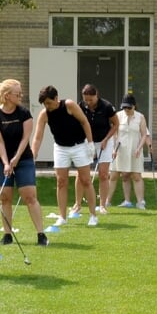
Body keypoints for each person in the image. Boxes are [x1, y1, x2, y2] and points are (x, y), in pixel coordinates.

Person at [30, 84, 99, 227]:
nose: (47, 106)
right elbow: (37, 137)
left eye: (49, 103)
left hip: (79, 145)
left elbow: (84, 122)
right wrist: (34, 153)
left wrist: (91, 143)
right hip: (60, 148)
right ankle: (62, 216)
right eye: (44, 104)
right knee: (61, 181)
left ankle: (93, 215)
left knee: (86, 180)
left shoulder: (69, 105)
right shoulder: (44, 114)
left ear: (56, 98)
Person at [0, 79, 47, 245]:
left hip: (24, 159)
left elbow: (25, 139)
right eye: (18, 93)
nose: (21, 96)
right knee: (5, 198)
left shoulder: (24, 113)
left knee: (30, 196)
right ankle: (7, 235)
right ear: (7, 96)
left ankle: (41, 234)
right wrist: (7, 163)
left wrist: (15, 159)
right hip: (2, 161)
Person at [76, 84, 118, 216]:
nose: (88, 102)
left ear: (96, 95)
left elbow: (116, 124)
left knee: (103, 174)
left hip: (104, 141)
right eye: (86, 99)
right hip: (86, 142)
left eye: (91, 100)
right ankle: (77, 204)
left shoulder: (106, 107)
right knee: (81, 173)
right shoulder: (81, 106)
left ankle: (102, 205)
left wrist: (106, 139)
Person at [110, 93, 153, 209]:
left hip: (135, 151)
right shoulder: (118, 116)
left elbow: (144, 134)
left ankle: (140, 202)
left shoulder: (140, 117)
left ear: (134, 106)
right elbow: (114, 134)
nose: (127, 109)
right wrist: (113, 149)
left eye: (129, 107)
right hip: (120, 151)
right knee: (120, 175)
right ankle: (122, 201)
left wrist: (140, 148)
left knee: (136, 176)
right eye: (124, 107)